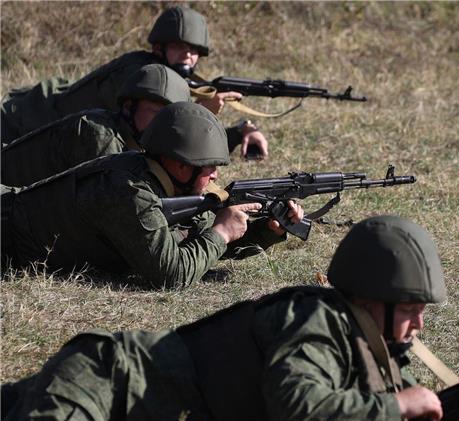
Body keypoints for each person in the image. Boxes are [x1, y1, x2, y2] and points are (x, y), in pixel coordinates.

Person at [0, 216, 459, 421]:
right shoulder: (313, 322)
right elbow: (299, 408)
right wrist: (398, 404)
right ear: (369, 299)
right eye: (409, 307)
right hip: (110, 383)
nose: (420, 323)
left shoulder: (371, 356)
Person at [0, 101, 302, 288]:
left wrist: (266, 230)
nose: (215, 175)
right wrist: (221, 232)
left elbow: (198, 239)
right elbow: (171, 274)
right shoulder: (129, 192)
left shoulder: (164, 184)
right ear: (179, 164)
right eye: (208, 167)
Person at [0, 5, 262, 156]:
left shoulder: (164, 75)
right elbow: (168, 145)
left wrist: (242, 130)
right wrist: (206, 115)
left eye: (194, 50)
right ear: (159, 48)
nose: (188, 54)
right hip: (20, 125)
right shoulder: (143, 77)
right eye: (179, 46)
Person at [1, 64, 266, 187]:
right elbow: (131, 201)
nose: (163, 122)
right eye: (154, 111)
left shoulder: (137, 136)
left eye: (170, 114)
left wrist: (240, 130)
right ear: (128, 108)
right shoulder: (101, 138)